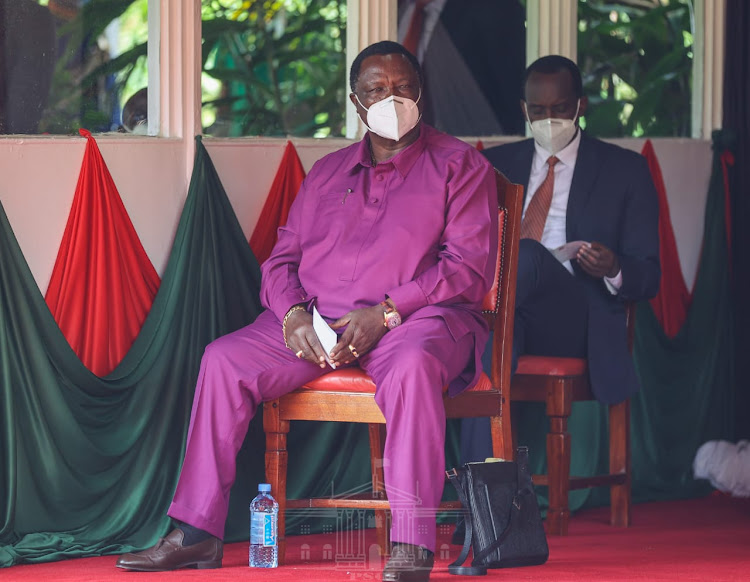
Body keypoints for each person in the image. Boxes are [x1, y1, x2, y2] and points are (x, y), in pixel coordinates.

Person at [115, 40, 498, 582]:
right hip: (320, 325)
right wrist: (293, 314)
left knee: (412, 369)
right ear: (355, 101)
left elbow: (466, 270)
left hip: (418, 323)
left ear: (421, 93)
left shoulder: (461, 165)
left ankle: (412, 542)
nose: (390, 99)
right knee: (224, 361)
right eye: (375, 90)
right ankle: (196, 534)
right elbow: (281, 259)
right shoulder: (328, 172)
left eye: (402, 88)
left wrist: (387, 313)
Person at [460, 55, 660, 464]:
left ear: (580, 106)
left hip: (577, 320)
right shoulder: (495, 164)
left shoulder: (625, 170)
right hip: (511, 314)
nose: (549, 119)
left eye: (560, 109)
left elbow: (650, 276)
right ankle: (481, 501)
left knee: (526, 255)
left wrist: (615, 268)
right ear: (524, 110)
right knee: (496, 336)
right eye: (538, 111)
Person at [397, 0, 526, 136]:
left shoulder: (495, 8)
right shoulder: (391, 10)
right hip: (404, 141)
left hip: (480, 141)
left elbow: (513, 85)